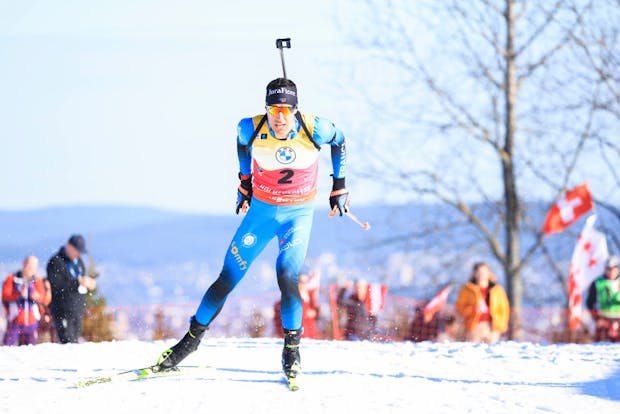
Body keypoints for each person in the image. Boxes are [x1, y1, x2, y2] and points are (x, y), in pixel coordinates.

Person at [156, 77, 350, 386]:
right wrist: (244, 182)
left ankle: (291, 350)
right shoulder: (251, 127)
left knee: (286, 275)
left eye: (286, 111)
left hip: (297, 216)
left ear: (295, 110)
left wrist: (339, 185)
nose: (279, 118)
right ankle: (190, 341)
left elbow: (339, 140)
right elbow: (242, 145)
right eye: (273, 110)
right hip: (261, 214)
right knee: (226, 279)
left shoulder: (315, 128)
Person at [46, 234, 97, 343]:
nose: (78, 255)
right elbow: (57, 286)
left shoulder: (78, 262)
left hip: (77, 310)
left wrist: (88, 283)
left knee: (75, 342)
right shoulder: (56, 261)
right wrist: (77, 282)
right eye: (77, 251)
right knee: (67, 343)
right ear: (69, 246)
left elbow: (80, 279)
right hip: (63, 310)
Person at [455, 262, 510, 344]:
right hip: (474, 327)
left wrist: (502, 324)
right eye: (479, 272)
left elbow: (504, 309)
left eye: (484, 272)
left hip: (493, 327)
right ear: (474, 274)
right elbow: (459, 309)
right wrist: (473, 310)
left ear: (489, 273)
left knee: (493, 353)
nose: (482, 275)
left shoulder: (497, 290)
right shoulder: (466, 290)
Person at [2, 256, 51, 346]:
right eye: (29, 265)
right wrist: (19, 294)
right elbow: (5, 296)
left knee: (30, 349)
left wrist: (36, 296)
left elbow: (44, 300)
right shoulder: (12, 278)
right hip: (15, 320)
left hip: (32, 322)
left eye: (34, 266)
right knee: (7, 347)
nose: (31, 269)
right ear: (24, 264)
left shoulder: (37, 280)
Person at [273, 271, 320, 339]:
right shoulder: (286, 302)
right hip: (294, 341)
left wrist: (315, 311)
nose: (303, 285)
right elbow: (278, 323)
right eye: (301, 282)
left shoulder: (308, 300)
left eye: (306, 282)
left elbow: (316, 316)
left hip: (310, 340)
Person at [586, 255, 620, 342]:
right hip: (604, 321)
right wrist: (597, 318)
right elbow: (590, 303)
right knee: (602, 348)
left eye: (614, 269)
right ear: (605, 269)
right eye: (609, 269)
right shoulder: (598, 283)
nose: (611, 272)